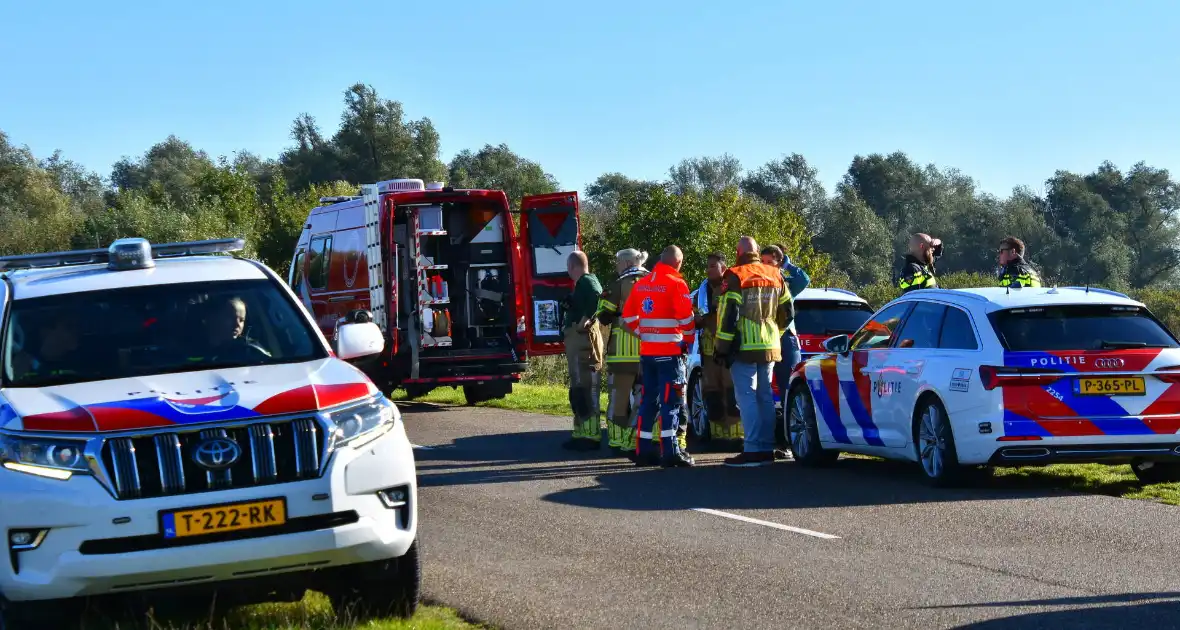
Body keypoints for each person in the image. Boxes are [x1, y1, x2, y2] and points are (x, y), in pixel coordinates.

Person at [715, 236, 792, 467]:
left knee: (746, 396)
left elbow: (729, 315)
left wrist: (722, 346)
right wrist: (775, 333)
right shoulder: (775, 274)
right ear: (758, 251)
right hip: (770, 344)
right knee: (765, 396)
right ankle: (767, 447)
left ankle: (751, 448)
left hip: (743, 346)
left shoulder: (736, 275)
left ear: (738, 252)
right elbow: (788, 312)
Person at [621, 245, 696, 468]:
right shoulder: (676, 284)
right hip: (670, 354)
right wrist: (689, 342)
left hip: (648, 354)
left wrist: (644, 334)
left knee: (648, 401)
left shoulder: (642, 284)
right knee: (671, 402)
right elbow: (686, 320)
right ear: (678, 263)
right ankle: (671, 451)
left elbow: (627, 318)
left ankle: (643, 450)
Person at [589, 248, 649, 454]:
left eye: (617, 263)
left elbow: (604, 315)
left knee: (618, 399)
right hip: (649, 352)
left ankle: (617, 442)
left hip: (622, 354)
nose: (616, 267)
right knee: (644, 398)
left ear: (625, 263)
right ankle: (636, 440)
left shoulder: (618, 284)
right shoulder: (653, 282)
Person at [694, 252, 743, 450]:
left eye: (713, 265)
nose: (709, 269)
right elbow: (695, 313)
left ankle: (736, 436)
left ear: (724, 267)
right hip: (708, 352)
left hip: (727, 351)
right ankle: (718, 435)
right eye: (708, 266)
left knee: (731, 393)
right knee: (711, 393)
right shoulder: (702, 290)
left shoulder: (730, 286)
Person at [562, 251, 606, 451]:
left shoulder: (588, 282)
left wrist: (586, 319)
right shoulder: (581, 285)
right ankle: (580, 432)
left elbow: (599, 299)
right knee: (578, 389)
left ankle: (591, 435)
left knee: (586, 388)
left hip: (583, 343)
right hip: (576, 343)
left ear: (572, 267)